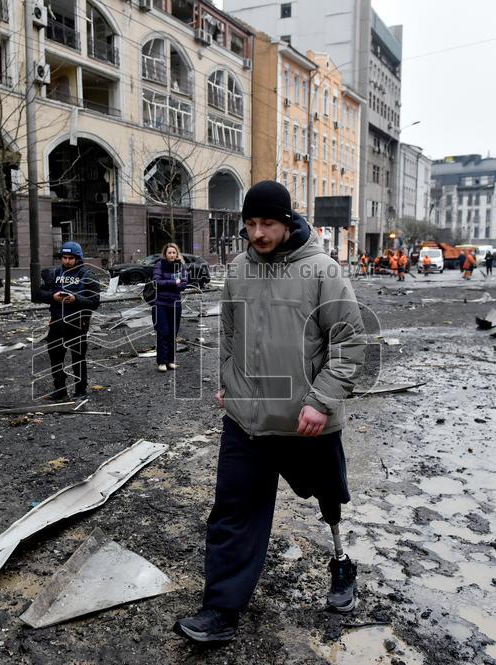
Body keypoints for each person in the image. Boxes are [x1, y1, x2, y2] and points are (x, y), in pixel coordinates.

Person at [173, 180, 364, 643]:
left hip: (306, 423)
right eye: (251, 223)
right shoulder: (238, 268)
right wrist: (227, 382)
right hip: (246, 423)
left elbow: (351, 341)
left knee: (328, 496)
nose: (258, 233)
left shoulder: (322, 270)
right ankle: (220, 610)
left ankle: (341, 563)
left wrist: (321, 402)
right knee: (233, 511)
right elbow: (231, 333)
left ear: (287, 221)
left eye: (268, 223)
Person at [37, 242, 101, 398]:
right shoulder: (54, 274)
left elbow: (94, 302)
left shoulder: (87, 276)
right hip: (57, 322)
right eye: (64, 258)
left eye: (70, 258)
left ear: (78, 258)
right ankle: (60, 391)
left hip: (78, 324)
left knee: (78, 359)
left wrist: (76, 299)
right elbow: (39, 295)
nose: (66, 261)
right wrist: (52, 297)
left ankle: (80, 391)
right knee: (55, 358)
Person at [151, 243, 188, 372]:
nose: (172, 255)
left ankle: (171, 360)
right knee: (163, 332)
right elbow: (156, 282)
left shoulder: (181, 266)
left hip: (175, 304)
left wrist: (172, 284)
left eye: (174, 252)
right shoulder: (159, 265)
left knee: (173, 333)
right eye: (169, 253)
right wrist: (173, 282)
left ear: (177, 254)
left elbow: (183, 284)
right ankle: (161, 362)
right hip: (160, 304)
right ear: (165, 254)